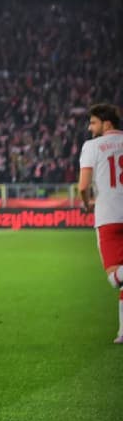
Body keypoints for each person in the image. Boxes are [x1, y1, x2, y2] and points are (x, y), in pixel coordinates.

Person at [77, 103, 123, 344]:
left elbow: (83, 186)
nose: (89, 127)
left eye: (93, 122)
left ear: (107, 124)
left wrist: (86, 204)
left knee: (114, 277)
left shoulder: (92, 146)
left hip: (108, 217)